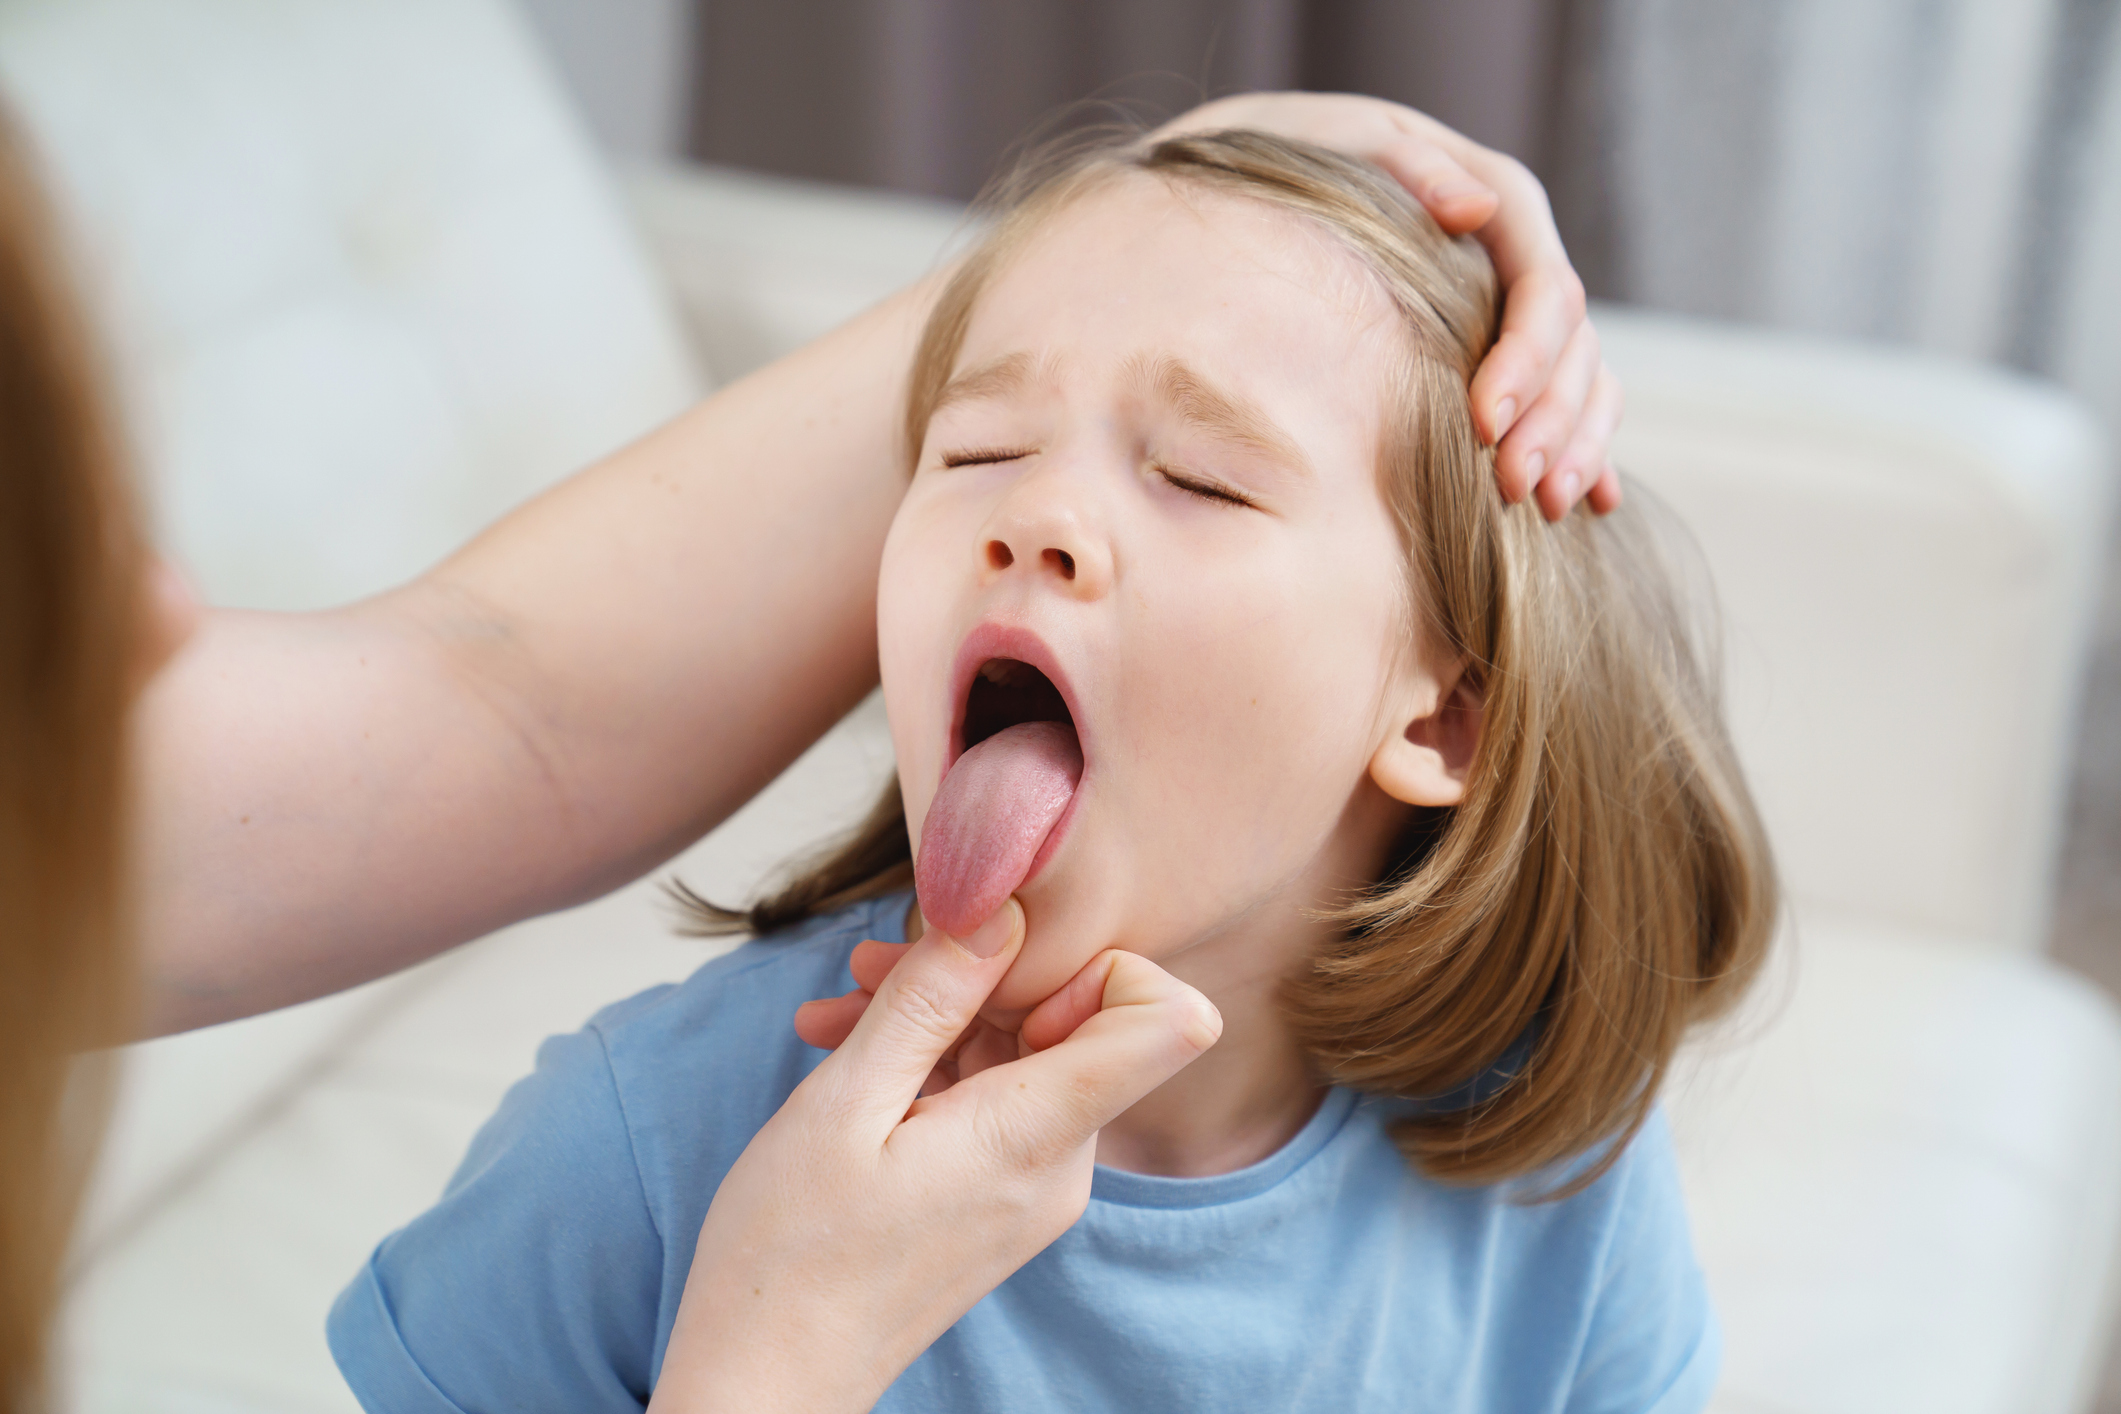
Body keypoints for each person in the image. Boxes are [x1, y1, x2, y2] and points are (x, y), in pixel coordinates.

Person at [2, 92, 1621, 1412]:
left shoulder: (1558, 1173)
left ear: (1443, 715)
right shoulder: (639, 1163)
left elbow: (504, 694)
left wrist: (1160, 209)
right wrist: (778, 1352)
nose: (1032, 515)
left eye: (1197, 477)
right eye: (973, 450)